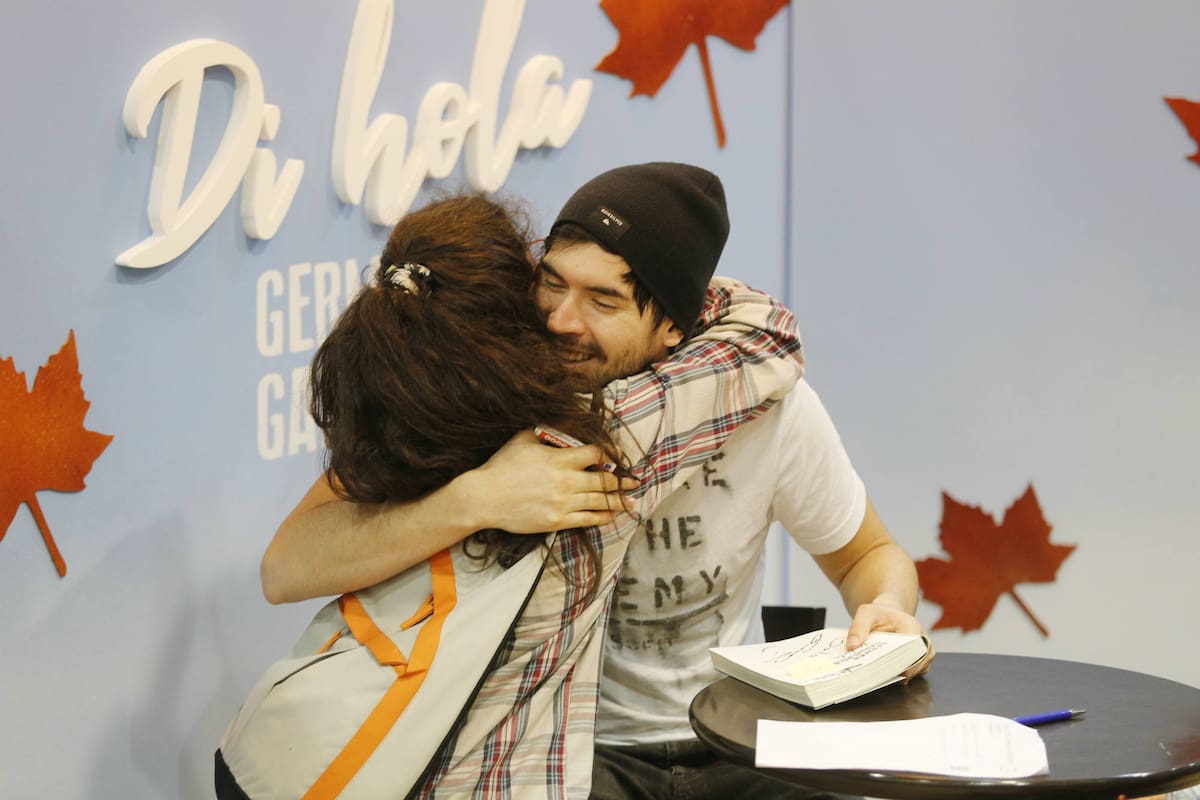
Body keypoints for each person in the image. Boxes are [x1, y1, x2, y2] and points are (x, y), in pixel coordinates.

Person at [260, 163, 932, 799]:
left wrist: (890, 610)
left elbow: (869, 556)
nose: (558, 319)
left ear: (673, 326)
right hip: (574, 756)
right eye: (553, 281)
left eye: (602, 300)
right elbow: (287, 566)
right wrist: (477, 496)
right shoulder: (484, 393)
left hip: (732, 734)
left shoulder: (762, 402)